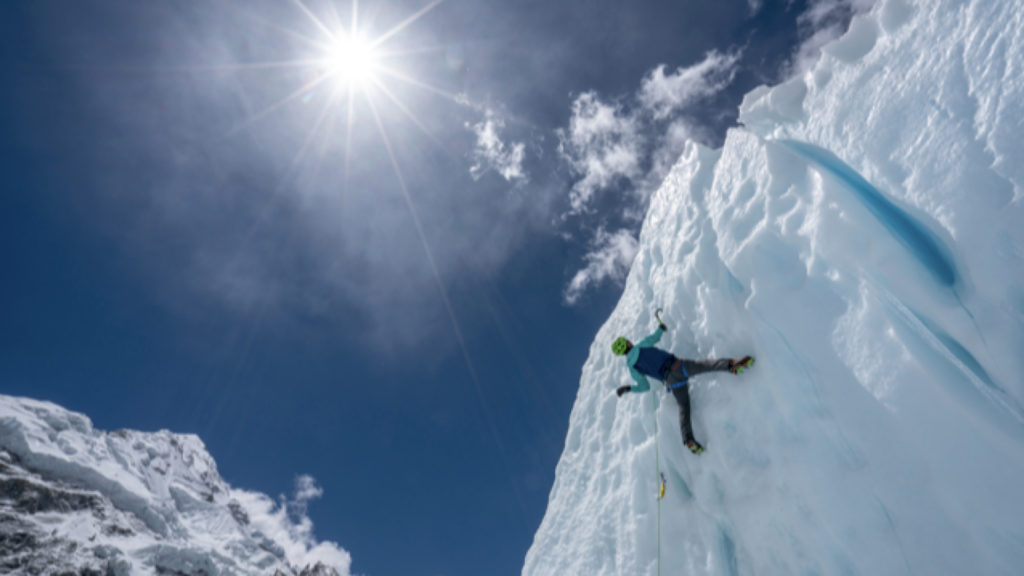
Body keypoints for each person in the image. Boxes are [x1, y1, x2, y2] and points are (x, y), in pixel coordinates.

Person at [612, 321, 753, 455]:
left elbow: (644, 386)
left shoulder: (632, 368)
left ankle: (688, 439)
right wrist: (661, 327)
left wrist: (629, 388)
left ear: (622, 353)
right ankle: (731, 365)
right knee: (706, 365)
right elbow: (655, 337)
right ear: (628, 343)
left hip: (671, 381)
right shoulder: (641, 346)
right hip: (677, 366)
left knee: (684, 408)